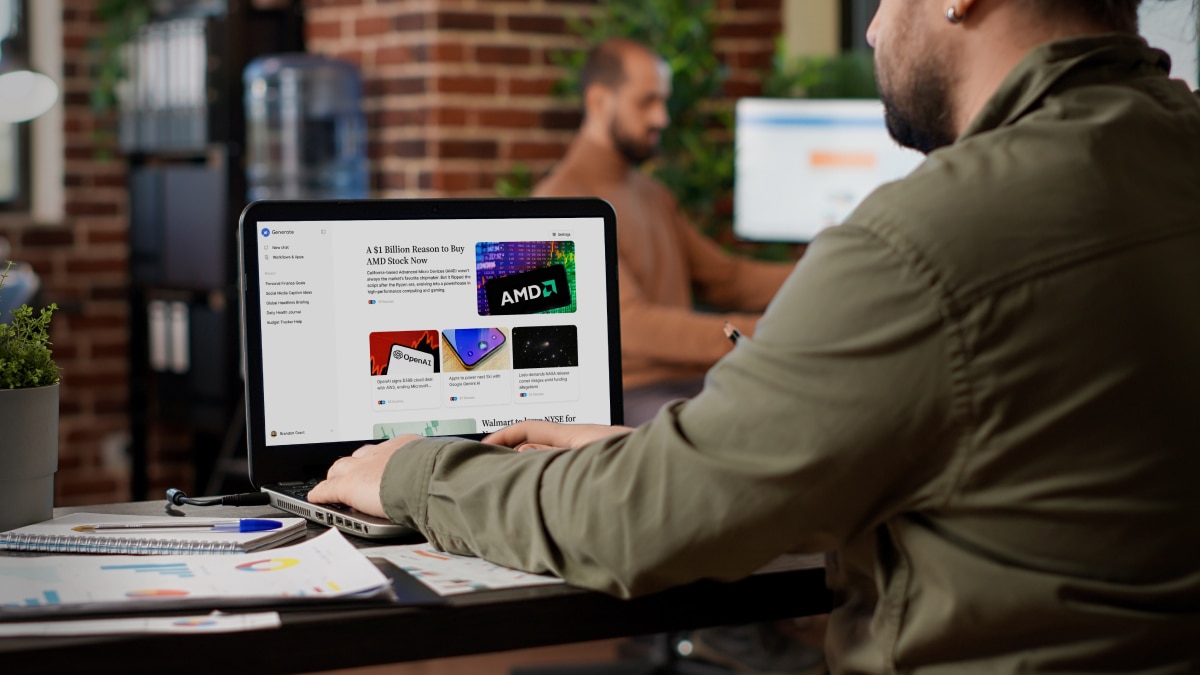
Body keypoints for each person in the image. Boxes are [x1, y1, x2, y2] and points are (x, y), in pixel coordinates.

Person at [310, 0, 1200, 671]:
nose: (869, 28)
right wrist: (797, 338)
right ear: (603, 101)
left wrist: (414, 469)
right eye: (649, 102)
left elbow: (645, 517)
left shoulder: (923, 240)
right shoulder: (1168, 149)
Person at [531, 38, 794, 426]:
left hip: (689, 382)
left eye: (663, 101)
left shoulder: (652, 193)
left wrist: (829, 271)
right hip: (631, 396)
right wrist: (764, 334)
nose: (661, 118)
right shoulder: (557, 204)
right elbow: (628, 326)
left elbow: (728, 279)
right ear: (600, 101)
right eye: (646, 102)